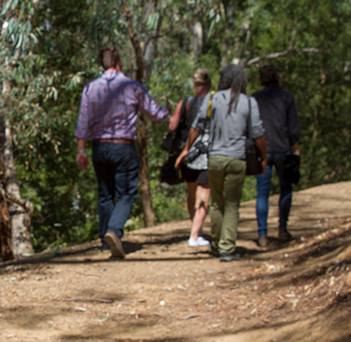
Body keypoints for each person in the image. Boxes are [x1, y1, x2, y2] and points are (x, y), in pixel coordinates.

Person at [75, 47, 170, 258]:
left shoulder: (90, 88)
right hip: (123, 146)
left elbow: (83, 122)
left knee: (105, 194)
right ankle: (114, 231)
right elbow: (155, 114)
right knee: (127, 193)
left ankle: (106, 242)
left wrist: (81, 149)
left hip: (99, 147)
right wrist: (170, 112)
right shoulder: (131, 86)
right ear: (118, 62)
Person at [176, 64, 266, 262]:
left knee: (216, 202)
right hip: (237, 159)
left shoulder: (212, 98)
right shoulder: (249, 102)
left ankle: (216, 244)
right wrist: (264, 157)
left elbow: (197, 126)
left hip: (214, 158)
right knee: (232, 204)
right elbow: (258, 133)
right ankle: (227, 247)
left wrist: (186, 149)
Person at [252, 65, 302, 247]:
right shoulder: (288, 97)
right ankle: (282, 229)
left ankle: (262, 235)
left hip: (262, 151)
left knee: (262, 193)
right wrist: (296, 151)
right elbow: (293, 127)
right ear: (278, 77)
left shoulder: (255, 98)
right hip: (283, 149)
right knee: (286, 189)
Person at [168, 68, 213, 247]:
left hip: (187, 152)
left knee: (192, 191)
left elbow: (172, 126)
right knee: (204, 191)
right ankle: (196, 232)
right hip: (206, 150)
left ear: (194, 84)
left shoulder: (185, 102)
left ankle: (195, 228)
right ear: (208, 83)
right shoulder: (213, 102)